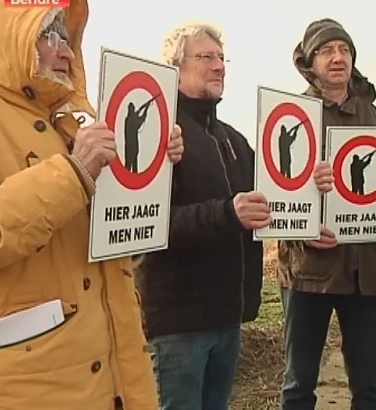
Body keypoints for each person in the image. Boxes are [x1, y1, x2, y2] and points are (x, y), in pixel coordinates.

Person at [0, 0, 185, 410]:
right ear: (5, 37)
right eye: (48, 35)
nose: (68, 51)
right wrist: (73, 172)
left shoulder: (71, 123)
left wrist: (150, 162)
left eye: (68, 37)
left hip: (91, 380)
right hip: (4, 388)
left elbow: (105, 241)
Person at [136, 22, 333, 410]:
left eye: (222, 58)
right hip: (178, 324)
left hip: (228, 320)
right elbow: (151, 225)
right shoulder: (161, 135)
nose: (219, 66)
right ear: (175, 67)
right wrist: (227, 213)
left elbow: (268, 202)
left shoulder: (233, 140)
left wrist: (305, 211)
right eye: (206, 57)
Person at [276, 18, 376, 410]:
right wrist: (303, 223)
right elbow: (273, 188)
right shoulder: (292, 115)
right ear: (308, 61)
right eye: (326, 51)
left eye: (344, 50)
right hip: (309, 271)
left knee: (369, 386)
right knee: (299, 385)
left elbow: (375, 192)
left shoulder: (375, 117)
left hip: (366, 272)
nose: (337, 58)